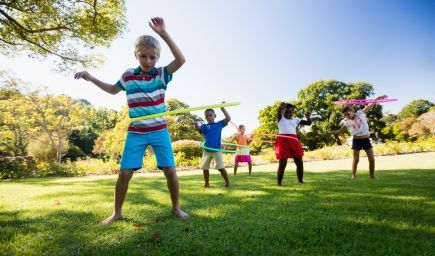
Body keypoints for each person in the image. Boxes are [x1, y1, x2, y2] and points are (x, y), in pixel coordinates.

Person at [74, 17, 189, 225]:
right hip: (136, 131)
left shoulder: (162, 74)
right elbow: (112, 90)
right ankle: (116, 213)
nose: (147, 61)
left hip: (159, 130)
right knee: (125, 173)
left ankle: (176, 208)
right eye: (143, 56)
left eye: (152, 57)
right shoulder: (128, 76)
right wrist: (91, 78)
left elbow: (181, 60)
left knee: (171, 171)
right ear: (136, 55)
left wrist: (163, 33)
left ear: (157, 57)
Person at [329, 96, 386, 179]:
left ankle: (371, 176)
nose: (347, 116)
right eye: (345, 115)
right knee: (356, 160)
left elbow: (370, 105)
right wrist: (330, 132)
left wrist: (377, 99)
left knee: (371, 159)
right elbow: (340, 131)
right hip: (356, 140)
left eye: (348, 114)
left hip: (366, 139)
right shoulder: (346, 122)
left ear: (352, 111)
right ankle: (353, 176)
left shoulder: (360, 113)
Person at [193, 107, 231, 188]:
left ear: (215, 116)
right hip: (207, 150)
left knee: (220, 167)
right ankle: (207, 183)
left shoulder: (219, 124)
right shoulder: (204, 126)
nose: (209, 117)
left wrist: (222, 108)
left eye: (210, 115)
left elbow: (228, 118)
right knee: (205, 168)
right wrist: (196, 124)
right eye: (207, 116)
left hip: (216, 149)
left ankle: (227, 182)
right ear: (205, 118)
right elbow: (198, 129)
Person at [275, 102, 312, 186]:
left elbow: (308, 123)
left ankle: (300, 181)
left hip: (294, 141)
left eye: (291, 111)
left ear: (293, 112)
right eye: (287, 111)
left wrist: (308, 117)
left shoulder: (296, 120)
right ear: (283, 110)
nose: (289, 113)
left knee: (299, 162)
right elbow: (278, 112)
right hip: (283, 141)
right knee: (282, 163)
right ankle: (279, 183)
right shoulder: (280, 118)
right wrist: (280, 107)